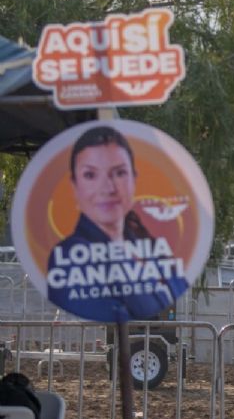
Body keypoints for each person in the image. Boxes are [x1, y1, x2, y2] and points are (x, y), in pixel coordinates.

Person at [45, 125, 188, 322]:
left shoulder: (144, 240)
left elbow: (173, 287)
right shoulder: (70, 256)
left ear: (134, 180)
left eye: (119, 173)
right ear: (74, 186)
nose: (108, 187)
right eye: (91, 175)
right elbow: (142, 306)